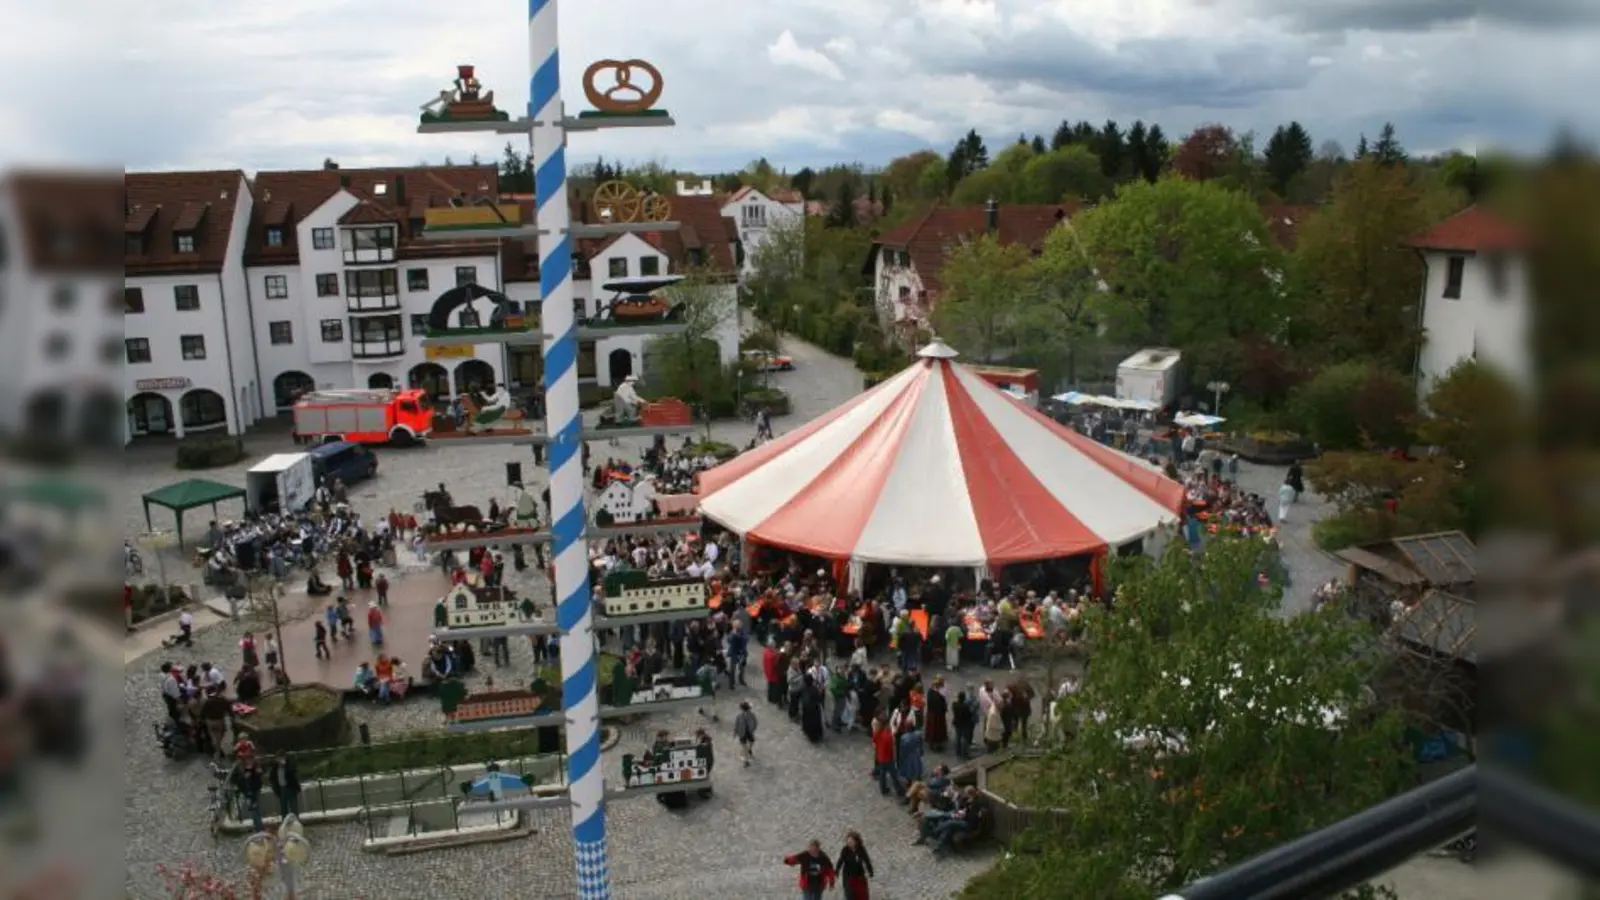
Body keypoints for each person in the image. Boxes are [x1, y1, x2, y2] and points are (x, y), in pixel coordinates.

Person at [835, 831, 875, 900]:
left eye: (851, 841)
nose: (849, 843)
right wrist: (837, 870)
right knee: (850, 895)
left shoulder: (861, 849)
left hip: (859, 876)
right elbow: (840, 860)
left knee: (861, 895)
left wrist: (870, 871)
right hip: (848, 877)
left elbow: (866, 860)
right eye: (848, 841)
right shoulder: (845, 850)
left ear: (856, 841)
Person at [871, 718, 904, 800]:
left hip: (880, 757)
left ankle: (883, 789)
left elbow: (874, 741)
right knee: (894, 774)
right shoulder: (888, 736)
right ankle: (899, 790)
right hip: (887, 758)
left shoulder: (877, 732)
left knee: (882, 774)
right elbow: (890, 749)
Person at [232, 757, 266, 833]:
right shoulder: (242, 772)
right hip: (248, 793)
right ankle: (257, 827)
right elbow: (239, 782)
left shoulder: (254, 770)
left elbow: (258, 779)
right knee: (253, 811)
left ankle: (259, 828)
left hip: (254, 792)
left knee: (255, 810)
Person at [265, 752, 301, 818]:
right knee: (284, 808)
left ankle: (296, 820)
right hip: (281, 789)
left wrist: (285, 766)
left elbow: (293, 773)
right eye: (278, 758)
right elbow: (271, 777)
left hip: (290, 788)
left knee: (293, 807)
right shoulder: (275, 767)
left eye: (281, 758)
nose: (280, 760)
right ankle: (285, 821)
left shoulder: (289, 764)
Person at [733, 700, 758, 766]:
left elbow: (755, 722)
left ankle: (749, 750)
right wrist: (735, 732)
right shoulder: (740, 716)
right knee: (745, 747)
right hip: (742, 732)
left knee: (752, 742)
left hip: (748, 731)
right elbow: (737, 725)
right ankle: (746, 761)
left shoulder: (751, 715)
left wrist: (753, 728)